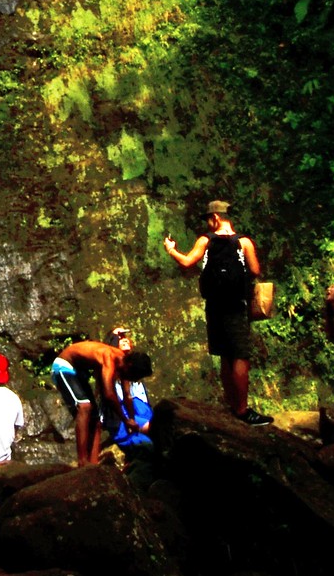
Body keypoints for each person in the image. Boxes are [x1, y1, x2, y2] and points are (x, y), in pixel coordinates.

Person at [163, 199, 271, 425]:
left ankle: (232, 405)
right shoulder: (244, 242)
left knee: (225, 354)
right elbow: (255, 269)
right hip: (236, 305)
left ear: (215, 217)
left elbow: (187, 262)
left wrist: (171, 250)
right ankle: (242, 410)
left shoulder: (205, 240)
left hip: (214, 306)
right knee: (240, 355)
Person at [51, 339, 152, 466]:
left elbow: (126, 395)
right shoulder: (110, 357)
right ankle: (82, 461)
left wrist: (131, 419)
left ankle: (93, 464)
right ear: (130, 366)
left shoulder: (123, 365)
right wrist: (125, 420)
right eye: (135, 376)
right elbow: (109, 394)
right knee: (84, 407)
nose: (135, 380)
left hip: (79, 373)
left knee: (96, 421)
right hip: (64, 366)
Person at [105, 327, 154, 455]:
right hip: (123, 412)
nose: (124, 340)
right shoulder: (109, 365)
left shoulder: (137, 366)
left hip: (141, 409)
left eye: (125, 337)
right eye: (120, 338)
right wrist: (113, 336)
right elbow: (107, 350)